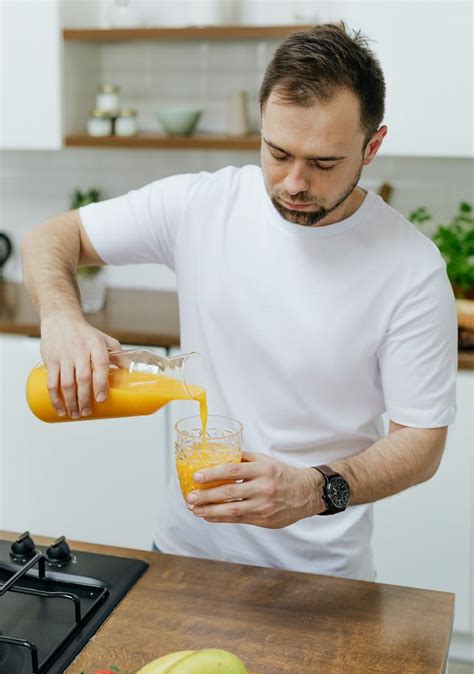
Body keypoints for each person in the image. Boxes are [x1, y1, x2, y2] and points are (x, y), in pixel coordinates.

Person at [21, 24, 457, 581]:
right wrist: (61, 318)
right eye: (278, 152)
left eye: (324, 163)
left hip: (322, 579)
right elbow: (49, 238)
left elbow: (421, 442)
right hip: (181, 558)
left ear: (372, 146)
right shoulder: (202, 205)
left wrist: (314, 489)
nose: (294, 182)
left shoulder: (411, 270)